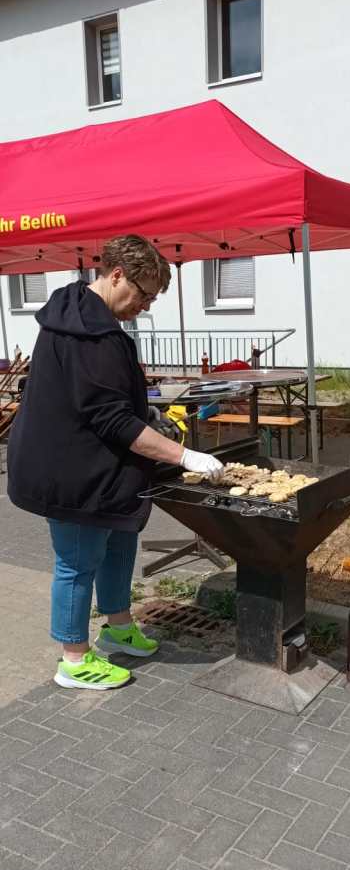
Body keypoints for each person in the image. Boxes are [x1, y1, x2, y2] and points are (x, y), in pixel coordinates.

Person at [7, 234, 222, 691]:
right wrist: (184, 455)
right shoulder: (87, 334)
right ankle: (73, 659)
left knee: (121, 541)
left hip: (101, 468)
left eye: (153, 299)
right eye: (144, 294)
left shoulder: (86, 314)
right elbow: (110, 419)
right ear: (118, 274)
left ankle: (119, 626)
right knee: (78, 561)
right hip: (70, 472)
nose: (144, 306)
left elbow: (103, 400)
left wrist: (146, 414)